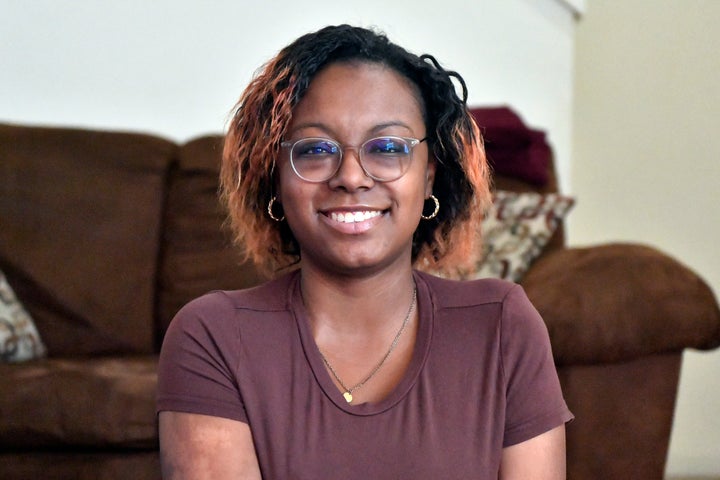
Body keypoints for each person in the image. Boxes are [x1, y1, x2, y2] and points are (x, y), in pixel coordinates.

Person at [157, 24, 573, 479]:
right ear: (274, 175)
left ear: (429, 175)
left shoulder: (503, 325)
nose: (352, 176)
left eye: (388, 147)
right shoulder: (213, 336)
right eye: (316, 149)